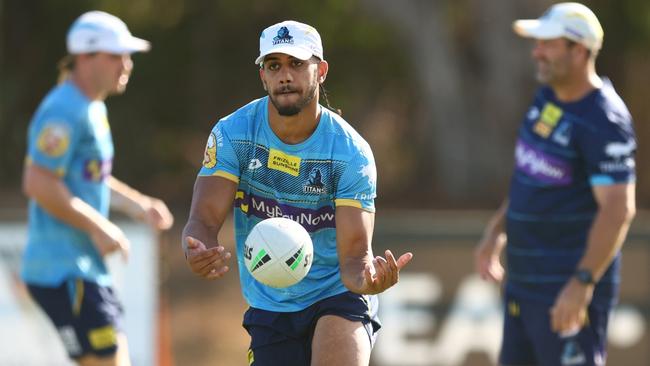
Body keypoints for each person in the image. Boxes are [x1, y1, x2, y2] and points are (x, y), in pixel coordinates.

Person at [182, 20, 413, 366]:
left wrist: (368, 280)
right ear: (263, 76)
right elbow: (202, 220)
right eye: (274, 66)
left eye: (296, 64)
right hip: (270, 301)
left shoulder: (350, 153)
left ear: (320, 71)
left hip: (338, 294)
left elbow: (353, 260)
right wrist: (196, 249)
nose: (284, 76)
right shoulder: (233, 133)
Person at [474, 3, 636, 366]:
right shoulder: (547, 98)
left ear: (579, 51)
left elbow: (618, 209)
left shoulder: (604, 118)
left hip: (565, 290)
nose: (537, 52)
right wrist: (496, 231)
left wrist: (582, 283)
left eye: (548, 44)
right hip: (522, 286)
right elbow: (529, 176)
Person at [21, 11, 174, 366]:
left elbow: (90, 177)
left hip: (79, 270)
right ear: (85, 57)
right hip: (65, 271)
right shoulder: (64, 109)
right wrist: (100, 226)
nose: (127, 64)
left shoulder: (92, 107)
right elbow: (38, 181)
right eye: (116, 55)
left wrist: (138, 205)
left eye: (128, 56)